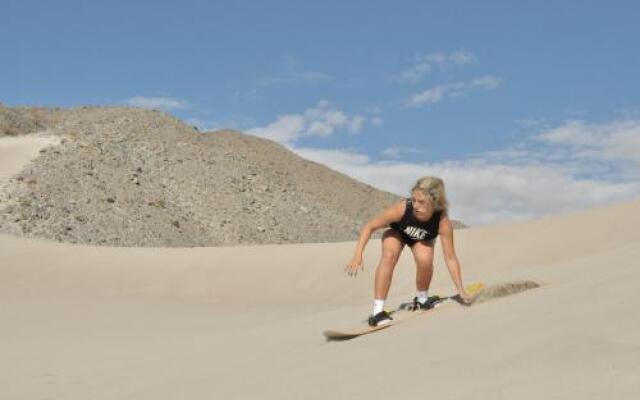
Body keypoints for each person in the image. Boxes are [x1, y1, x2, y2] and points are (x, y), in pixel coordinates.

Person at [345, 176, 471, 326]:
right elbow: (369, 226)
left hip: (421, 240)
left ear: (435, 202)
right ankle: (377, 312)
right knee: (389, 255)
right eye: (414, 200)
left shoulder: (442, 222)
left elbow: (450, 258)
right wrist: (358, 254)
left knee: (425, 260)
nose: (416, 205)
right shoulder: (403, 208)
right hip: (397, 233)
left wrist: (461, 290)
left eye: (421, 202)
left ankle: (422, 299)